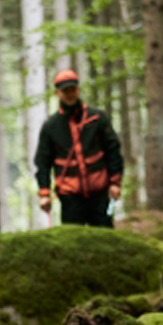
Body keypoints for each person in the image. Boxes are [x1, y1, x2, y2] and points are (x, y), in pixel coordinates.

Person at [34, 68, 124, 227]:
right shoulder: (51, 126)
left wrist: (115, 182)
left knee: (104, 238)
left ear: (78, 89)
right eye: (65, 91)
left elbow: (113, 150)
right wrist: (44, 193)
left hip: (100, 192)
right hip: (70, 196)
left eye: (72, 89)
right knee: (73, 241)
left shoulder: (97, 118)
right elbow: (43, 161)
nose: (69, 94)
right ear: (57, 93)